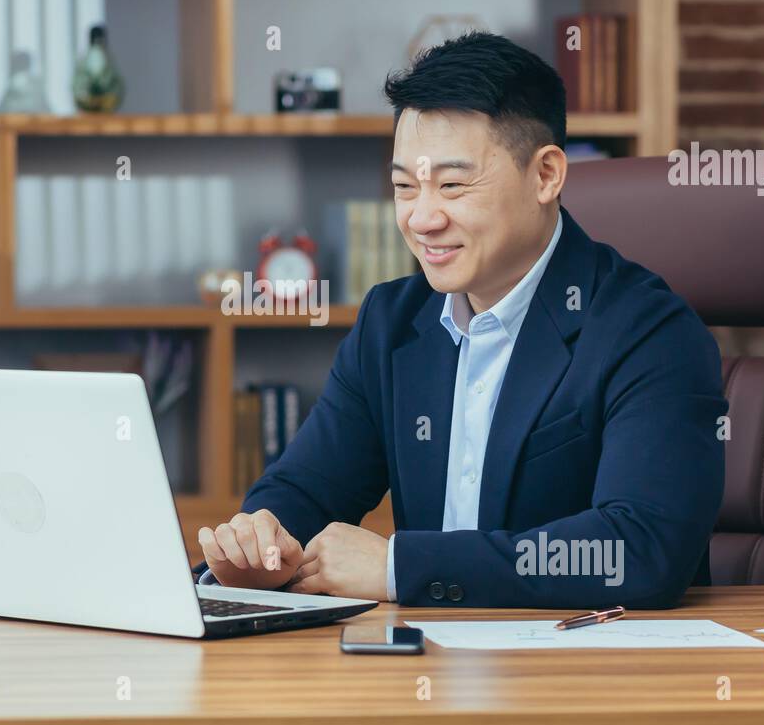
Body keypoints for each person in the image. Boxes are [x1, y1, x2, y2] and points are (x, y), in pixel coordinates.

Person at [197, 31, 726, 608]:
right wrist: (256, 543)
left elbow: (640, 547)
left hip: (578, 672)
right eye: (403, 187)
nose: (422, 218)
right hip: (425, 668)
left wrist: (401, 566)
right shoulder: (391, 322)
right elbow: (308, 488)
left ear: (546, 174)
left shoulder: (647, 330)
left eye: (452, 185)